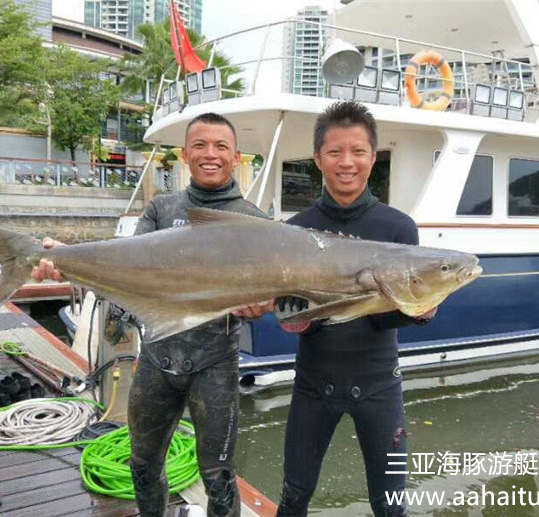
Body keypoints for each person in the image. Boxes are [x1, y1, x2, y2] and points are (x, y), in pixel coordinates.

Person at [32, 112, 271, 517]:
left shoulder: (254, 221)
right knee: (143, 464)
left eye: (221, 147)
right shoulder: (162, 208)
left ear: (236, 157)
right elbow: (124, 261)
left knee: (218, 477)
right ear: (185, 154)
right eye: (199, 145)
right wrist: (67, 258)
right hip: (158, 358)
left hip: (215, 364)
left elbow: (269, 295)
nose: (210, 154)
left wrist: (259, 308)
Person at [275, 101, 436, 517]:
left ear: (373, 157)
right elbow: (296, 314)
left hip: (380, 386)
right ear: (318, 159)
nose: (347, 162)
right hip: (313, 384)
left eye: (358, 152)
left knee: (391, 504)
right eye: (335, 152)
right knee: (293, 496)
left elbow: (389, 315)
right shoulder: (295, 230)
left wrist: (417, 312)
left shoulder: (398, 228)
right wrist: (296, 321)